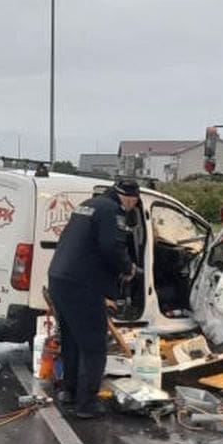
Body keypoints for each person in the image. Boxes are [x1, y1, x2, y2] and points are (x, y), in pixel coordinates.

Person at [47, 179, 140, 418]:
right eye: (134, 202)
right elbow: (112, 246)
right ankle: (87, 405)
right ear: (130, 198)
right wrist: (128, 267)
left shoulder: (89, 204)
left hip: (59, 277)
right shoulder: (112, 211)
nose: (132, 207)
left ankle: (70, 392)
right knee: (94, 345)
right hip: (81, 284)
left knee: (72, 339)